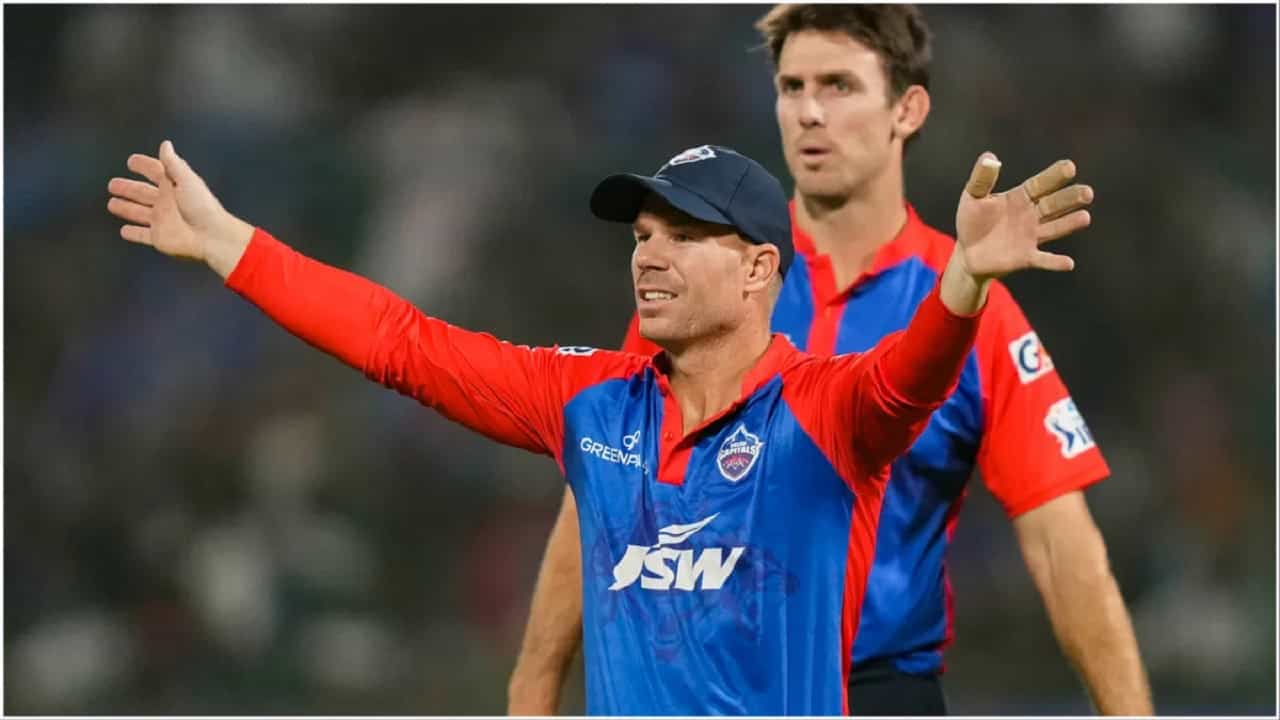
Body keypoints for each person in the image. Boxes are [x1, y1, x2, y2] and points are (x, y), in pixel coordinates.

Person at [108, 138, 1091, 714]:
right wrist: (227, 242)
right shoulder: (593, 402)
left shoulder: (825, 412)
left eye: (683, 236)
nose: (648, 257)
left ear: (759, 269)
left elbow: (914, 374)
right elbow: (402, 343)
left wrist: (963, 278)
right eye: (642, 236)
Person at [508, 5, 1152, 716]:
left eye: (839, 86)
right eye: (792, 87)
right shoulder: (708, 283)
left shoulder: (971, 305)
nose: (809, 112)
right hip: (709, 687)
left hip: (879, 690)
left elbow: (1062, 546)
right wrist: (533, 686)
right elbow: (602, 494)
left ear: (907, 109)